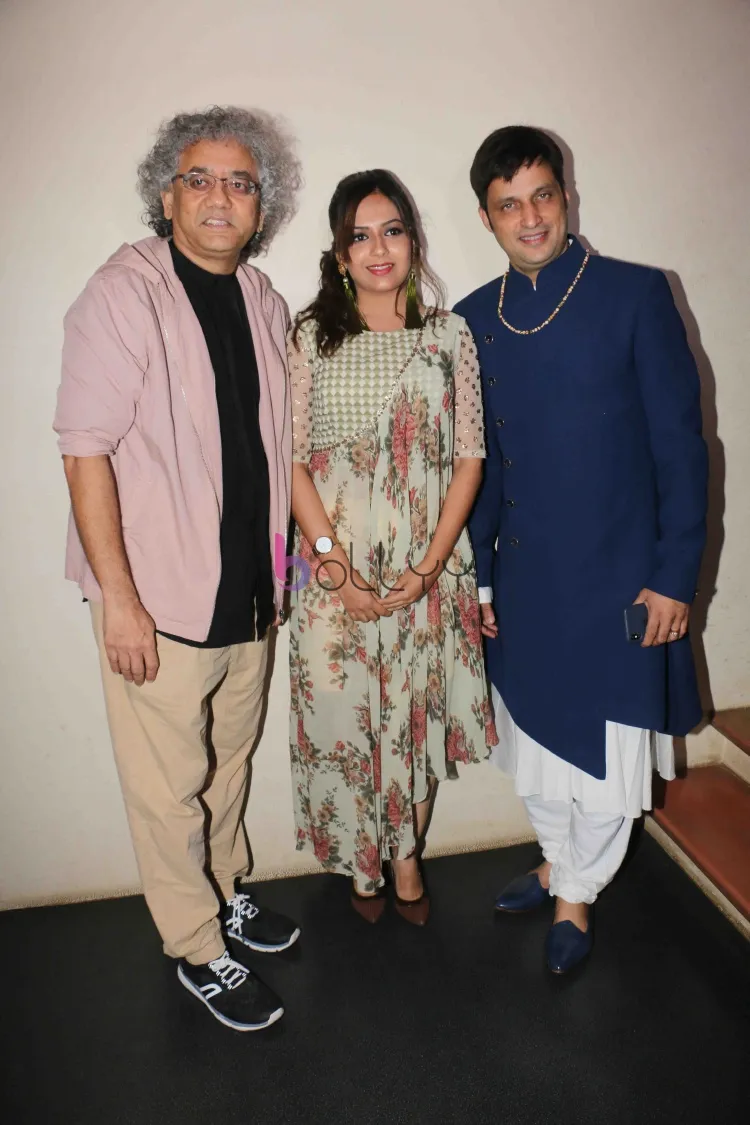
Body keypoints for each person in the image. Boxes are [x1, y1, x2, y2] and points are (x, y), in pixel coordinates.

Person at [54, 106, 303, 1031]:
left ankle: (225, 887)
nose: (219, 197)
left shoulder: (265, 301)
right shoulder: (124, 294)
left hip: (247, 592)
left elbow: (273, 452)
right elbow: (83, 450)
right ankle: (196, 942)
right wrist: (117, 598)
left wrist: (283, 575)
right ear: (167, 195)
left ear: (259, 206)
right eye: (199, 178)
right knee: (166, 788)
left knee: (226, 762)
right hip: (154, 599)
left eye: (240, 181)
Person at [455, 126, 707, 973]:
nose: (529, 216)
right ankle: (557, 859)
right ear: (487, 218)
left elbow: (683, 447)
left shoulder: (635, 294)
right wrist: (478, 580)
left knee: (603, 758)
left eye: (542, 195)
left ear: (566, 196)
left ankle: (576, 894)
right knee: (531, 751)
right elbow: (476, 467)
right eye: (508, 204)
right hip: (524, 579)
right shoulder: (469, 320)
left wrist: (675, 577)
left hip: (619, 579)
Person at [286, 170, 497, 924]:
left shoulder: (449, 337)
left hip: (425, 568)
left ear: (414, 240)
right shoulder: (311, 337)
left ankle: (405, 855)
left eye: (393, 230)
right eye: (360, 235)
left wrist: (429, 565)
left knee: (410, 717)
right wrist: (332, 565)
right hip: (331, 572)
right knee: (347, 720)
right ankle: (360, 860)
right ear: (340, 254)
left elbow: (469, 457)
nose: (379, 248)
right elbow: (296, 460)